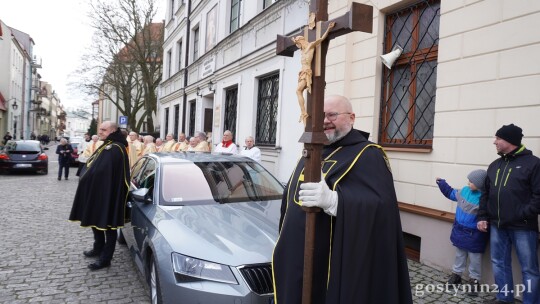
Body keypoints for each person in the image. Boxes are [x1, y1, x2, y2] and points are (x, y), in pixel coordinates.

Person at [272, 95, 412, 303]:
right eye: (321, 115)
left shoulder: (368, 154)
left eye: (332, 115)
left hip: (334, 261)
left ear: (352, 118)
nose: (325, 120)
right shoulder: (312, 151)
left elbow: (380, 208)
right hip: (297, 254)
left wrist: (334, 202)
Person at [477, 124, 540, 304]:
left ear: (509, 140)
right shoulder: (494, 165)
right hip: (497, 225)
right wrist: (483, 217)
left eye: (498, 138)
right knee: (499, 263)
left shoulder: (534, 164)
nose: (494, 142)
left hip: (523, 227)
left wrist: (523, 213)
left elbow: (539, 195)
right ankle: (504, 298)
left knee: (529, 269)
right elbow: (485, 194)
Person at [68, 121, 130, 271]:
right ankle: (98, 248)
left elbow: (108, 173)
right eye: (100, 129)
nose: (100, 132)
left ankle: (105, 258)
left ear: (113, 131)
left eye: (103, 129)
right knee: (96, 222)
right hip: (98, 193)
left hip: (108, 195)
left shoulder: (116, 148)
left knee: (109, 226)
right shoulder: (107, 145)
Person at [436, 169, 488, 296]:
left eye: (471, 181)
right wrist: (442, 183)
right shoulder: (464, 191)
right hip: (460, 231)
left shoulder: (484, 198)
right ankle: (456, 275)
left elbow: (487, 214)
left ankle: (474, 281)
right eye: (469, 180)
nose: (468, 182)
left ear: (480, 184)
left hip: (475, 234)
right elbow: (451, 193)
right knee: (460, 255)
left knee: (475, 258)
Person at [292, 21, 335, 124]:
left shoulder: (310, 46)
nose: (298, 45)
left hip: (307, 73)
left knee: (298, 90)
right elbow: (297, 45)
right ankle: (303, 112)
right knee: (298, 91)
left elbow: (321, 39)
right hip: (302, 73)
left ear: (302, 41)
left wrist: (328, 29)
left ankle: (303, 112)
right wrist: (294, 41)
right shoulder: (302, 50)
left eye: (298, 43)